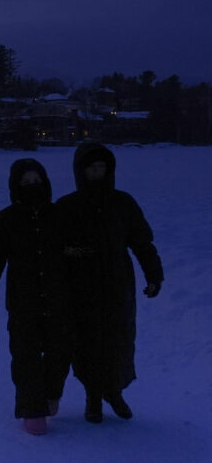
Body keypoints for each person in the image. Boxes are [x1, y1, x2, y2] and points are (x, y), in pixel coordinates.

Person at [57, 142, 164, 423]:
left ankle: (114, 392)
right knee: (87, 342)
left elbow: (142, 242)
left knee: (118, 341)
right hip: (81, 286)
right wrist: (77, 254)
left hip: (118, 285)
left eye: (102, 168)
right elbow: (55, 248)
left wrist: (154, 276)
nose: (97, 172)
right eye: (92, 168)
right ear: (81, 171)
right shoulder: (68, 206)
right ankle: (93, 396)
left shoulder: (123, 203)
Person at [0, 158, 71, 436]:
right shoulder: (6, 219)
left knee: (60, 351)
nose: (32, 186)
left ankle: (51, 394)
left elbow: (74, 253)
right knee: (26, 355)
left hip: (58, 299)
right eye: (26, 182)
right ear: (16, 187)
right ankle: (32, 409)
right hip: (23, 302)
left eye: (36, 181)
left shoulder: (59, 215)